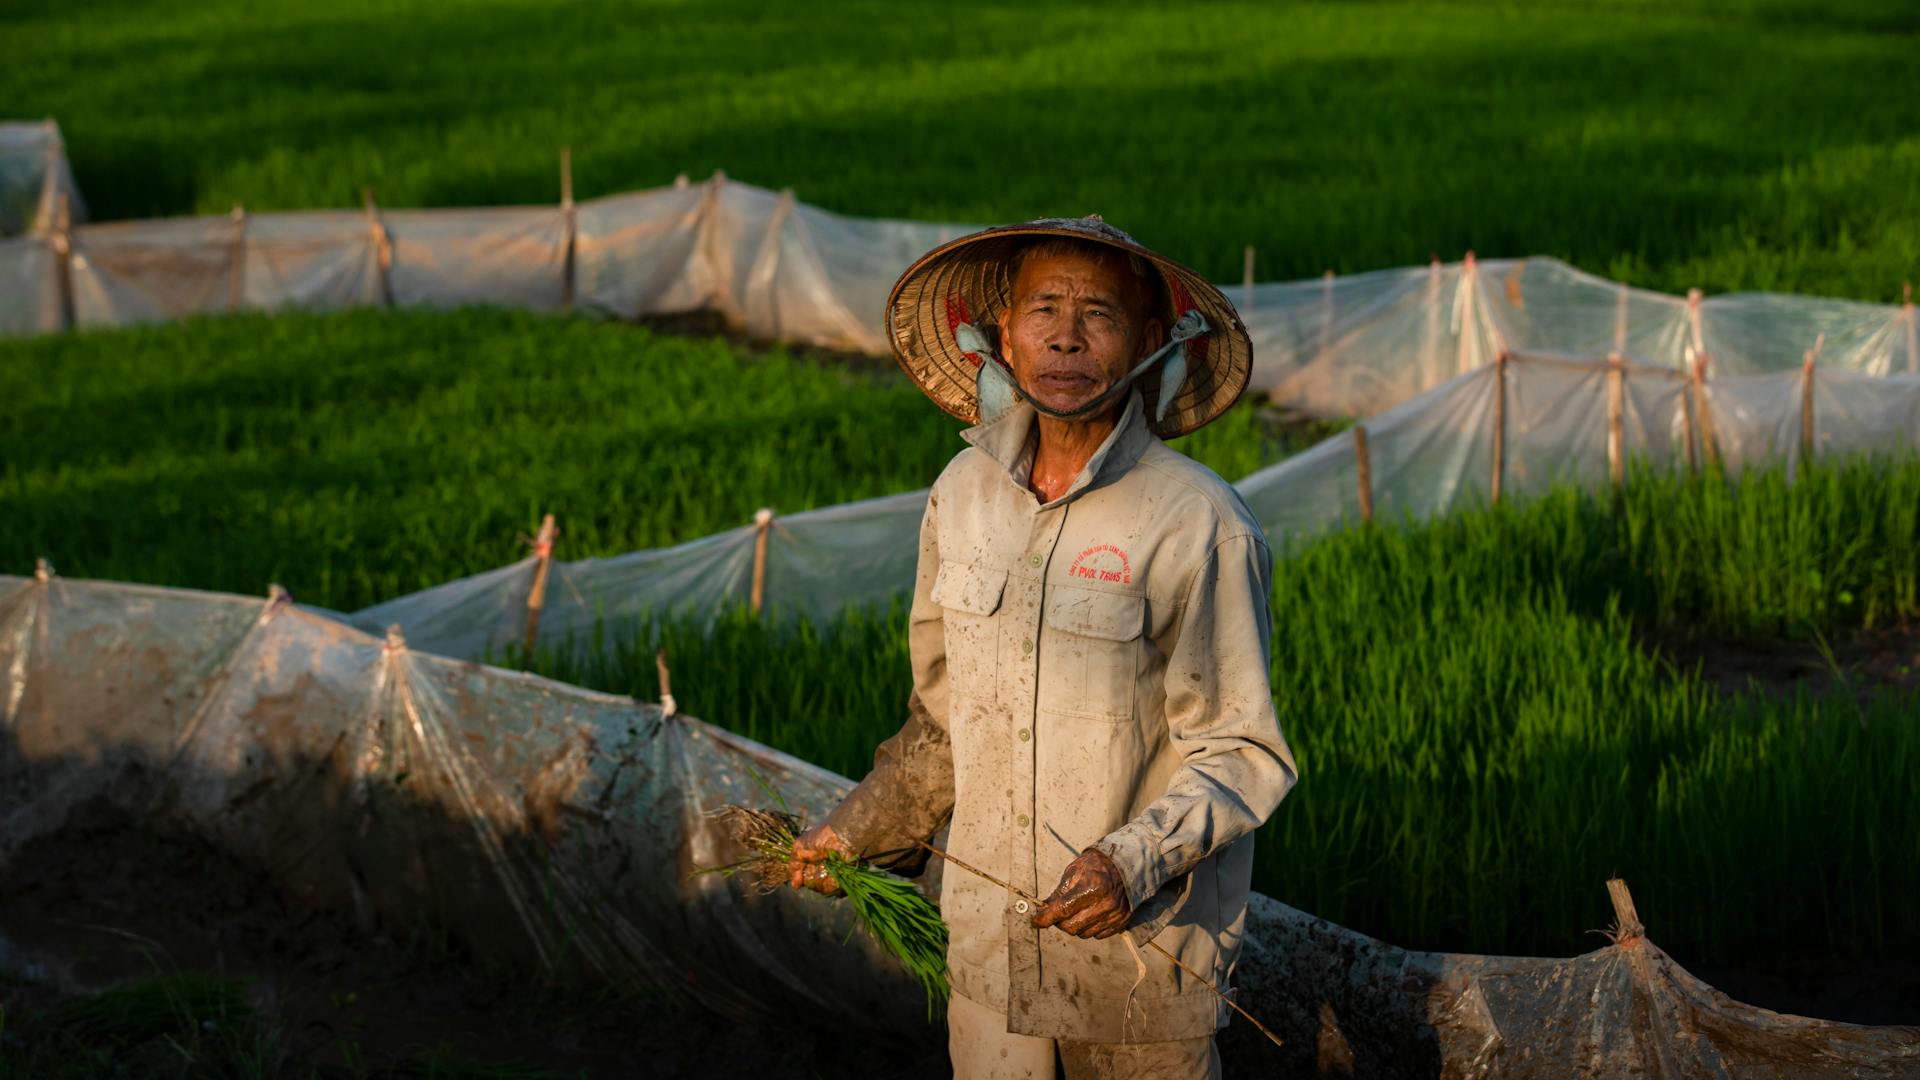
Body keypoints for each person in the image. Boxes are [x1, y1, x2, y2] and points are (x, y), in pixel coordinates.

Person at [789, 216, 1297, 1079]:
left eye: (1099, 314)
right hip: (988, 962)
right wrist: (859, 831)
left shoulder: (1197, 523)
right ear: (1002, 337)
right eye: (1044, 309)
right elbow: (946, 719)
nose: (1067, 335)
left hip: (1139, 971)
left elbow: (1240, 752)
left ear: (1146, 342)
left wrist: (1129, 864)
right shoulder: (964, 495)